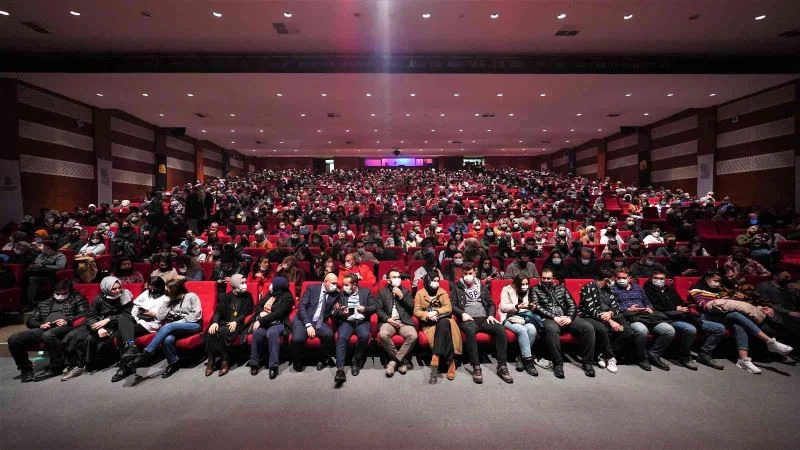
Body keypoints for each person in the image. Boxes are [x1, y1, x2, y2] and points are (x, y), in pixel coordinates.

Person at [690, 271, 793, 374]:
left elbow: (727, 304)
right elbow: (704, 306)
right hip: (705, 316)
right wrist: (723, 302)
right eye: (715, 281)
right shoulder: (696, 289)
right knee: (735, 315)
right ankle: (769, 342)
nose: (718, 283)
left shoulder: (718, 290)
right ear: (707, 279)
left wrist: (728, 300)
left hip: (721, 315)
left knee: (738, 324)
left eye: (719, 281)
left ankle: (743, 359)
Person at [643, 270, 725, 370]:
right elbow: (655, 307)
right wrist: (675, 308)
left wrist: (683, 307)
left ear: (665, 280)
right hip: (667, 318)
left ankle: (705, 354)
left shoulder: (669, 289)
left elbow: (680, 301)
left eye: (661, 279)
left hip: (684, 316)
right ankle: (684, 356)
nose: (659, 280)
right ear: (651, 279)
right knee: (690, 329)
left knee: (719, 328)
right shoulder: (647, 291)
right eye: (656, 278)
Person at [8, 281, 88, 382]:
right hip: (45, 327)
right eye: (58, 293)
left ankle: (56, 366)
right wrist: (40, 325)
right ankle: (26, 370)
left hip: (66, 327)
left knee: (48, 335)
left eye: (64, 293)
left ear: (70, 291)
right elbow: (31, 320)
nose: (60, 296)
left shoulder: (78, 299)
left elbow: (84, 314)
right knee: (14, 339)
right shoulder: (45, 303)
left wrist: (67, 320)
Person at [61, 276, 133, 381]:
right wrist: (98, 328)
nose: (117, 290)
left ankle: (82, 365)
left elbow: (127, 316)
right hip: (96, 324)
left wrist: (108, 319)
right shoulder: (99, 298)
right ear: (106, 288)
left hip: (113, 325)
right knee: (73, 335)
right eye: (114, 289)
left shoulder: (125, 296)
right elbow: (90, 316)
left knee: (90, 338)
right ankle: (73, 363)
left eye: (119, 287)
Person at [451, 263, 513, 384]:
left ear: (474, 273)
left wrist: (491, 315)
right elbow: (452, 304)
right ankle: (476, 366)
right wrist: (462, 313)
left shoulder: (481, 285)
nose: (468, 276)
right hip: (468, 318)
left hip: (484, 318)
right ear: (462, 273)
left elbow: (491, 303)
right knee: (470, 331)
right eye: (465, 274)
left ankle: (502, 366)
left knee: (500, 329)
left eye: (470, 273)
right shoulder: (457, 287)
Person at [129, 278, 203, 378]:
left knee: (168, 326)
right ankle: (173, 363)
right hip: (175, 327)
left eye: (168, 289)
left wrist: (179, 322)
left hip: (193, 324)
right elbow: (160, 317)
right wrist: (167, 301)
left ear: (176, 289)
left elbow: (197, 315)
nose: (166, 291)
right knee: (168, 339)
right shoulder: (170, 299)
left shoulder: (191, 296)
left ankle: (147, 353)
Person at [530, 268, 596, 378]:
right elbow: (537, 307)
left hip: (566, 316)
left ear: (553, 279)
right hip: (549, 318)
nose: (546, 280)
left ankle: (587, 362)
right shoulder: (535, 289)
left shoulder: (561, 288)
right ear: (540, 278)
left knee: (588, 328)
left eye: (548, 278)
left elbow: (572, 304)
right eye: (544, 278)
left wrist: (569, 317)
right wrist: (554, 317)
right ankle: (558, 364)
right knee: (551, 329)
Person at [612, 268, 674, 371]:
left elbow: (647, 302)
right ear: (615, 278)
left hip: (647, 316)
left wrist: (649, 308)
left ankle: (654, 354)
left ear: (629, 278)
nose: (621, 280)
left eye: (624, 277)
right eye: (619, 278)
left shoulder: (638, 288)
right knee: (642, 330)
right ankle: (642, 357)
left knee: (669, 330)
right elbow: (612, 307)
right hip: (630, 317)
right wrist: (628, 309)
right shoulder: (612, 289)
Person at [111, 277, 169, 382]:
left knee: (120, 332)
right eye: (150, 285)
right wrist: (137, 315)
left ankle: (125, 366)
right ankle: (130, 350)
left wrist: (152, 313)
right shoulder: (146, 293)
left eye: (154, 286)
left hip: (150, 323)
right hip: (138, 318)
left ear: (160, 286)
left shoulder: (166, 298)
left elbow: (161, 316)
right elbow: (136, 304)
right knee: (122, 317)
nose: (151, 288)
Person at [577, 276, 639, 374]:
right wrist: (610, 321)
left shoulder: (610, 289)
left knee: (627, 330)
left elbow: (616, 306)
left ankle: (602, 353)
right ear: (606, 279)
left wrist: (610, 313)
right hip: (591, 316)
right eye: (613, 279)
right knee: (603, 329)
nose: (614, 281)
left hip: (609, 315)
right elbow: (591, 309)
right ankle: (610, 357)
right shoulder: (587, 288)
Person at [414, 272, 462, 384]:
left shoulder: (442, 292)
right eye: (433, 281)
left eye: (437, 281)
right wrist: (427, 315)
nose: (436, 283)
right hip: (430, 323)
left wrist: (436, 312)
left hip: (445, 319)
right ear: (427, 281)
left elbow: (448, 308)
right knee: (443, 327)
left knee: (443, 323)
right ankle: (451, 362)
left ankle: (436, 355)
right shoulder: (420, 293)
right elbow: (417, 310)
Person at [205, 274, 254, 377]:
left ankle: (224, 359)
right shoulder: (225, 297)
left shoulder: (248, 296)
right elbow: (218, 312)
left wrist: (236, 321)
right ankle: (211, 360)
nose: (245, 285)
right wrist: (215, 322)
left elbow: (247, 312)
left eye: (245, 282)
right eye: (242, 283)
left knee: (223, 331)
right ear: (235, 284)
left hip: (238, 324)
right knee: (211, 331)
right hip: (224, 322)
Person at [331, 274, 376, 385]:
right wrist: (340, 312)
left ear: (355, 285)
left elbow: (374, 307)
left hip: (361, 321)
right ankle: (340, 369)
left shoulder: (366, 292)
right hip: (347, 321)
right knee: (341, 337)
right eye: (343, 284)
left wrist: (365, 308)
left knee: (365, 335)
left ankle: (356, 359)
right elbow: (334, 312)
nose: (343, 287)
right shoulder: (341, 294)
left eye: (346, 285)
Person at [247, 276, 294, 378]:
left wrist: (261, 319)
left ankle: (273, 366)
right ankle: (254, 363)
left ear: (279, 285)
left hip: (279, 323)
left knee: (272, 333)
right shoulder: (271, 293)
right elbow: (258, 305)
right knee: (257, 333)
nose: (271, 285)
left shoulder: (288, 297)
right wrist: (262, 313)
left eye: (273, 283)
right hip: (266, 322)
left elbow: (278, 313)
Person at [375, 269, 418, 377]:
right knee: (383, 334)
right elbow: (379, 309)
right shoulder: (382, 292)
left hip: (404, 321)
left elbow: (411, 308)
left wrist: (401, 296)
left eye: (399, 277)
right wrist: (387, 319)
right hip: (389, 321)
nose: (398, 279)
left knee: (413, 336)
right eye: (394, 277)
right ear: (388, 280)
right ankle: (401, 362)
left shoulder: (405, 291)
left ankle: (394, 362)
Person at [499, 274, 539, 376]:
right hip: (509, 318)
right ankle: (528, 360)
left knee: (532, 329)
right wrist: (517, 306)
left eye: (526, 284)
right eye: (522, 284)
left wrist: (532, 306)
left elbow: (532, 305)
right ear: (516, 284)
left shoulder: (529, 291)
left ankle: (521, 357)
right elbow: (503, 308)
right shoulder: (507, 289)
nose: (525, 286)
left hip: (523, 318)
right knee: (522, 330)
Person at [755, 271, 800, 351]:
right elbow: (765, 304)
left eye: (789, 277)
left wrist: (796, 290)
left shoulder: (787, 288)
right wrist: (788, 312)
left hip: (791, 313)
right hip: (776, 314)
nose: (789, 279)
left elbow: (794, 302)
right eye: (786, 277)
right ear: (776, 277)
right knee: (794, 327)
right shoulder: (764, 286)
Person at [24, 240, 67, 304]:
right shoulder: (41, 255)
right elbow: (36, 262)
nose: (42, 247)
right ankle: (23, 298)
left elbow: (60, 267)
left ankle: (31, 301)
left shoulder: (60, 256)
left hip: (49, 276)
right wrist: (33, 266)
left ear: (48, 248)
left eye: (43, 246)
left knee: (32, 279)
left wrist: (44, 266)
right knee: (25, 275)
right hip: (38, 272)